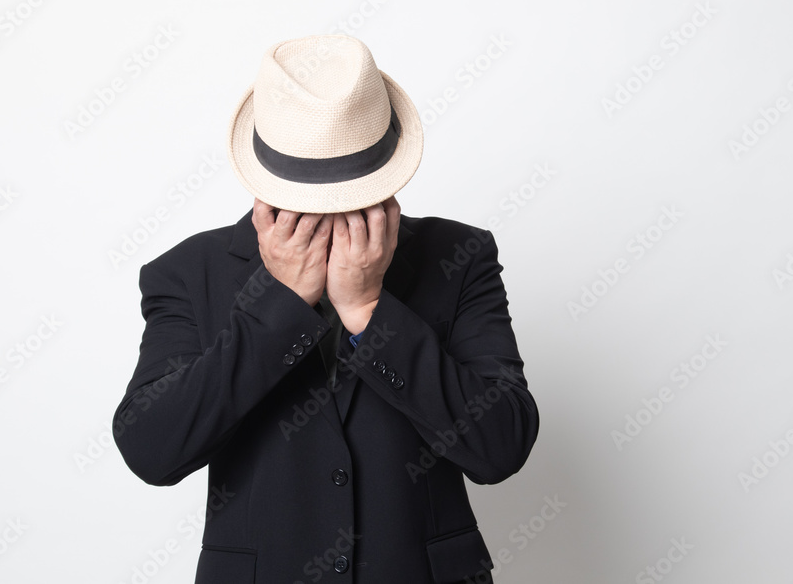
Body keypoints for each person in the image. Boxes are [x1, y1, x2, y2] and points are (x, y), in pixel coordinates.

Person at [112, 34, 539, 584]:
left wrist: (368, 307)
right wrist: (278, 307)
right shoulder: (188, 272)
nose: (332, 211)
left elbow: (501, 447)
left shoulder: (458, 256)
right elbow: (152, 451)